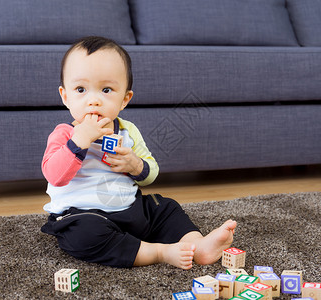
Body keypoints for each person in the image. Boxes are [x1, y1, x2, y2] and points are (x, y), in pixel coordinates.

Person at [41, 36, 237, 269]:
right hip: (84, 215)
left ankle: (198, 244)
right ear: (65, 96)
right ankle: (159, 252)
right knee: (84, 236)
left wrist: (135, 165)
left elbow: (151, 172)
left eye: (106, 90)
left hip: (131, 210)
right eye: (81, 89)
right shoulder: (64, 134)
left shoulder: (127, 131)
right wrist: (79, 141)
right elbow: (54, 175)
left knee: (165, 207)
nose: (93, 100)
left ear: (124, 99)